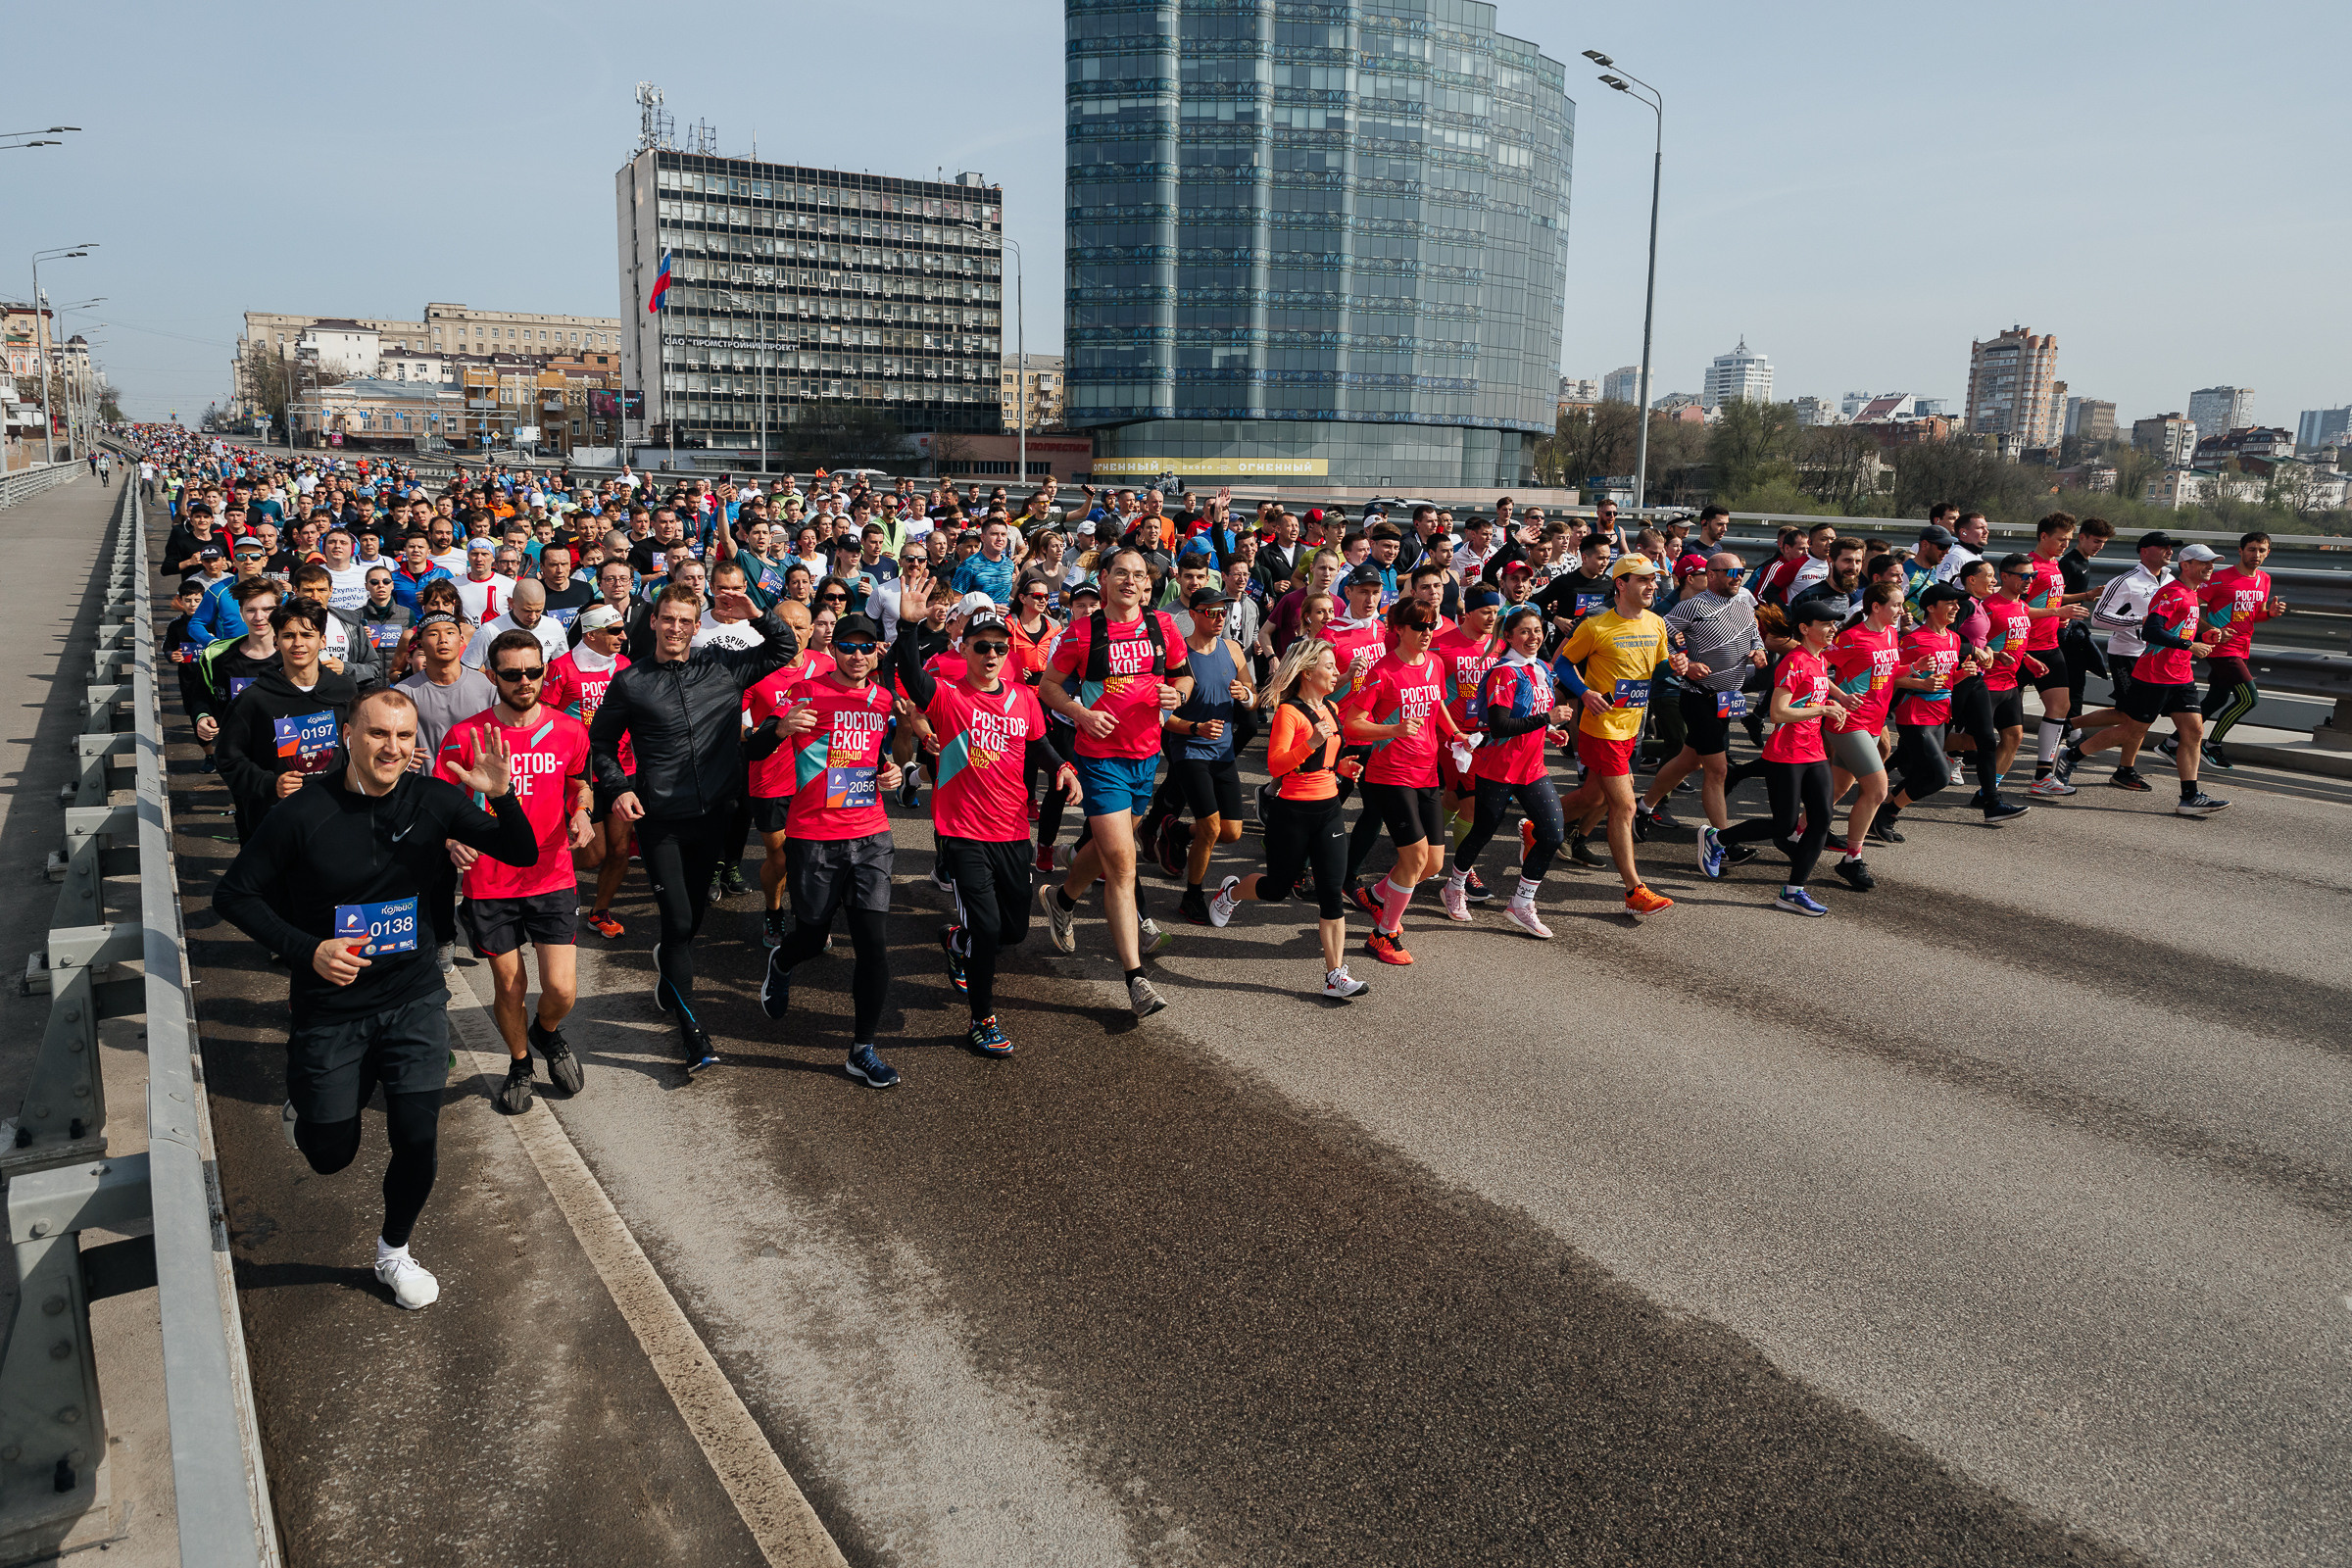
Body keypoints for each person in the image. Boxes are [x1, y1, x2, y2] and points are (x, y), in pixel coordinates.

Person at [213, 688, 538, 1310]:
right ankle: (308, 1109)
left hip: (414, 993)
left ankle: (394, 1251)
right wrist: (307, 948)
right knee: (331, 1154)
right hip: (331, 1004)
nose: (393, 748)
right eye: (377, 735)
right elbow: (234, 895)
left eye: (404, 736)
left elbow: (520, 851)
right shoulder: (303, 813)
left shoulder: (436, 800)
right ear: (348, 738)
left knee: (417, 1136)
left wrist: (502, 796)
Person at [591, 584, 796, 1070]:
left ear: (696, 626)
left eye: (686, 620)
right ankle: (693, 1035)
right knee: (678, 923)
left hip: (715, 818)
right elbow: (600, 742)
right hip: (660, 820)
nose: (676, 628)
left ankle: (671, 967)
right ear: (654, 622)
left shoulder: (723, 668)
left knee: (693, 922)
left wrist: (755, 613)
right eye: (668, 619)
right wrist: (619, 787)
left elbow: (785, 648)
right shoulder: (632, 681)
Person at [888, 608, 1079, 1055]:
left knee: (1011, 932)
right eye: (981, 646)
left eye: (999, 646)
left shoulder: (1022, 698)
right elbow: (912, 677)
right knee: (989, 929)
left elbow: (1038, 743)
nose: (992, 654)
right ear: (964, 649)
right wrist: (908, 626)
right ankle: (982, 1019)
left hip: (1012, 833)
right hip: (963, 833)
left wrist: (1063, 768)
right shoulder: (949, 696)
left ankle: (957, 940)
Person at [436, 630, 595, 1115]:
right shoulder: (466, 736)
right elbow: (440, 804)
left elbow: (578, 779)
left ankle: (546, 1033)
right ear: (491, 675)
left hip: (551, 875)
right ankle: (520, 1062)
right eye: (512, 673)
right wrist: (452, 837)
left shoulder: (569, 730)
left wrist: (583, 808)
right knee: (509, 986)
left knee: (562, 989)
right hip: (490, 883)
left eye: (533, 671)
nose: (525, 681)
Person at [1037, 547, 1194, 1020]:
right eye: (1121, 574)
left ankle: (1060, 900)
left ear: (1148, 583)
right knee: (1123, 865)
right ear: (1103, 579)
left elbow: (1183, 681)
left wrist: (1176, 694)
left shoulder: (1163, 627)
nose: (1130, 582)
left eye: (1139, 575)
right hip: (1101, 760)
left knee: (1113, 848)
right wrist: (1081, 714)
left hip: (1146, 758)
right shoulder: (1081, 632)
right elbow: (1048, 687)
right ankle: (1135, 978)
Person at [755, 612, 904, 1084]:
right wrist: (779, 730)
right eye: (847, 647)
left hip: (870, 834)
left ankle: (862, 1049)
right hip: (815, 835)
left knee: (873, 948)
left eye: (866, 647)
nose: (857, 656)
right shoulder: (806, 691)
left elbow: (881, 755)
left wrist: (894, 774)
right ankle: (783, 960)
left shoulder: (883, 700)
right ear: (832, 647)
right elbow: (755, 748)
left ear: (877, 651)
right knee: (813, 935)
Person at [1203, 640, 1372, 1001]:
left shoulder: (1330, 707)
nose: (1335, 673)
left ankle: (1334, 975)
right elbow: (1276, 765)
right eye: (1329, 666)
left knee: (1331, 892)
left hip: (1328, 809)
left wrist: (1341, 766)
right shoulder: (1289, 713)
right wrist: (1310, 743)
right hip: (1291, 812)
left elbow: (1328, 755)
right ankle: (1230, 893)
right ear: (1308, 673)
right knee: (1276, 889)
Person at [1551, 556, 1689, 920]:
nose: (1652, 586)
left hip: (1634, 725)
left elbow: (1658, 668)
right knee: (1625, 806)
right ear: (1621, 584)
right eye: (1643, 580)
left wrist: (1674, 666)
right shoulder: (1597, 626)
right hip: (1602, 727)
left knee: (1593, 796)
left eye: (1654, 580)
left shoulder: (1656, 622)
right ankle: (1633, 889)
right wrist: (1583, 693)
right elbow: (1563, 663)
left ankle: (1539, 825)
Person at [2061, 543, 2230, 816]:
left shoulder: (2190, 593)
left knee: (2194, 732)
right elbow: (2152, 631)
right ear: (2186, 566)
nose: (2210, 567)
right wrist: (2190, 646)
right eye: (2204, 563)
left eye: (2212, 562)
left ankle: (2189, 796)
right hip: (2155, 675)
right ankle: (2071, 756)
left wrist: (2201, 636)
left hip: (2181, 675)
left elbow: (2179, 629)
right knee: (2130, 729)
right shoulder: (2172, 593)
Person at [1704, 600, 1850, 913]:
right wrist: (1824, 709)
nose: (1832, 629)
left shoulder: (1819, 658)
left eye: (1834, 624)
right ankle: (1717, 840)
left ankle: (1793, 891)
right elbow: (1778, 712)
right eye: (1826, 624)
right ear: (1804, 628)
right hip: (1786, 754)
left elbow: (1820, 682)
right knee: (1783, 825)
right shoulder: (1793, 662)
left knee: (1822, 818)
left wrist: (1839, 699)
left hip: (1814, 750)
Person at [1340, 597, 1460, 962]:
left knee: (1434, 864)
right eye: (1419, 627)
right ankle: (1383, 934)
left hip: (1426, 771)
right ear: (1400, 630)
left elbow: (1436, 704)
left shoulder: (1436, 663)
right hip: (1389, 774)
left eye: (1431, 625)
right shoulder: (1382, 671)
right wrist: (1393, 727)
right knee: (1415, 856)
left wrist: (1456, 735)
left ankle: (1378, 895)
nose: (1427, 633)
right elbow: (1353, 724)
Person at [1443, 606, 1574, 938]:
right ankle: (1454, 886)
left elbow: (1532, 713)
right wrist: (1547, 720)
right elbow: (1500, 727)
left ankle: (1522, 903)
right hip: (1498, 766)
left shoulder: (1541, 667)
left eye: (1537, 631)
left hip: (1532, 768)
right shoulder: (1504, 672)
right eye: (1525, 632)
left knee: (1553, 833)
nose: (1533, 637)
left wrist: (1549, 731)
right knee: (1483, 831)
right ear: (1509, 637)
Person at [1640, 554, 1765, 851]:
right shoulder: (1692, 606)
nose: (1738, 577)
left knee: (1689, 760)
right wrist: (1684, 660)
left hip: (1728, 698)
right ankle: (1722, 842)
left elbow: (1754, 634)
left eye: (1742, 571)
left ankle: (1643, 807)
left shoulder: (1745, 603)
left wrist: (1757, 650)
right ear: (1711, 574)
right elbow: (1659, 633)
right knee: (1718, 769)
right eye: (1732, 571)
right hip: (1698, 696)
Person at [213, 601, 361, 842]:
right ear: (276, 641)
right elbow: (228, 758)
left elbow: (355, 749)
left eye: (307, 635)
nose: (298, 643)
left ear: (322, 641)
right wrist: (269, 784)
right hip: (273, 823)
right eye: (289, 635)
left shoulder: (343, 690)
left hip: (333, 815)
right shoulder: (254, 699)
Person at [1152, 589, 1254, 927]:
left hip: (1223, 751)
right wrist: (1195, 728)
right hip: (1189, 749)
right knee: (1211, 828)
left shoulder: (1233, 649)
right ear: (1193, 614)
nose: (1219, 617)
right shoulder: (1179, 653)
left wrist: (1246, 695)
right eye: (1211, 612)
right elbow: (1165, 716)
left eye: (1223, 612)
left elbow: (1253, 699)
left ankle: (1178, 832)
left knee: (1232, 832)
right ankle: (1192, 896)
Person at [1819, 583, 1905, 891]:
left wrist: (1915, 668)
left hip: (1873, 722)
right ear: (1876, 606)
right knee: (1878, 790)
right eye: (1896, 605)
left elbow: (1887, 672)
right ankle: (1851, 859)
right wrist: (1839, 697)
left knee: (1839, 788)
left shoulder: (1891, 634)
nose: (1901, 611)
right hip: (1848, 722)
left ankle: (1796, 831)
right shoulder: (1852, 637)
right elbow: (1815, 664)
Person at [1876, 582, 1971, 838]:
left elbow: (1945, 680)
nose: (1956, 608)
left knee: (1922, 773)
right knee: (1939, 777)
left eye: (1957, 603)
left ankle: (1882, 813)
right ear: (1930, 607)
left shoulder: (1953, 638)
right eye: (1950, 603)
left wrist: (1963, 674)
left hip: (1940, 715)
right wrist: (1920, 683)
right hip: (1915, 715)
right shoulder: (1913, 640)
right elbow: (1891, 677)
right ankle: (1888, 812)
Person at [2193, 530, 2285, 768]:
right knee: (2248, 699)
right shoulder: (2221, 578)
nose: (2256, 554)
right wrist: (2211, 630)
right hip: (2221, 648)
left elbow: (2256, 615)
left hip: (2242, 647)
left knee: (2216, 698)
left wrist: (2270, 615)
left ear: (2268, 553)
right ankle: (2211, 745)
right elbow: (2190, 608)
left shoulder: (2264, 579)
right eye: (2251, 549)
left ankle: (2173, 744)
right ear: (2240, 551)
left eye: (2261, 550)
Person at [2019, 514, 2092, 797]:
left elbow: (2049, 601)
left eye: (2068, 539)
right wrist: (2055, 612)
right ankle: (1954, 754)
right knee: (1995, 718)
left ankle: (2043, 776)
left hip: (2049, 646)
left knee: (2061, 706)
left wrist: (2060, 616)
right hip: (2021, 648)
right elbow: (2013, 608)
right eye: (2060, 538)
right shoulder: (2028, 567)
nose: (2065, 544)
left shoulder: (2054, 565)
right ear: (2043, 536)